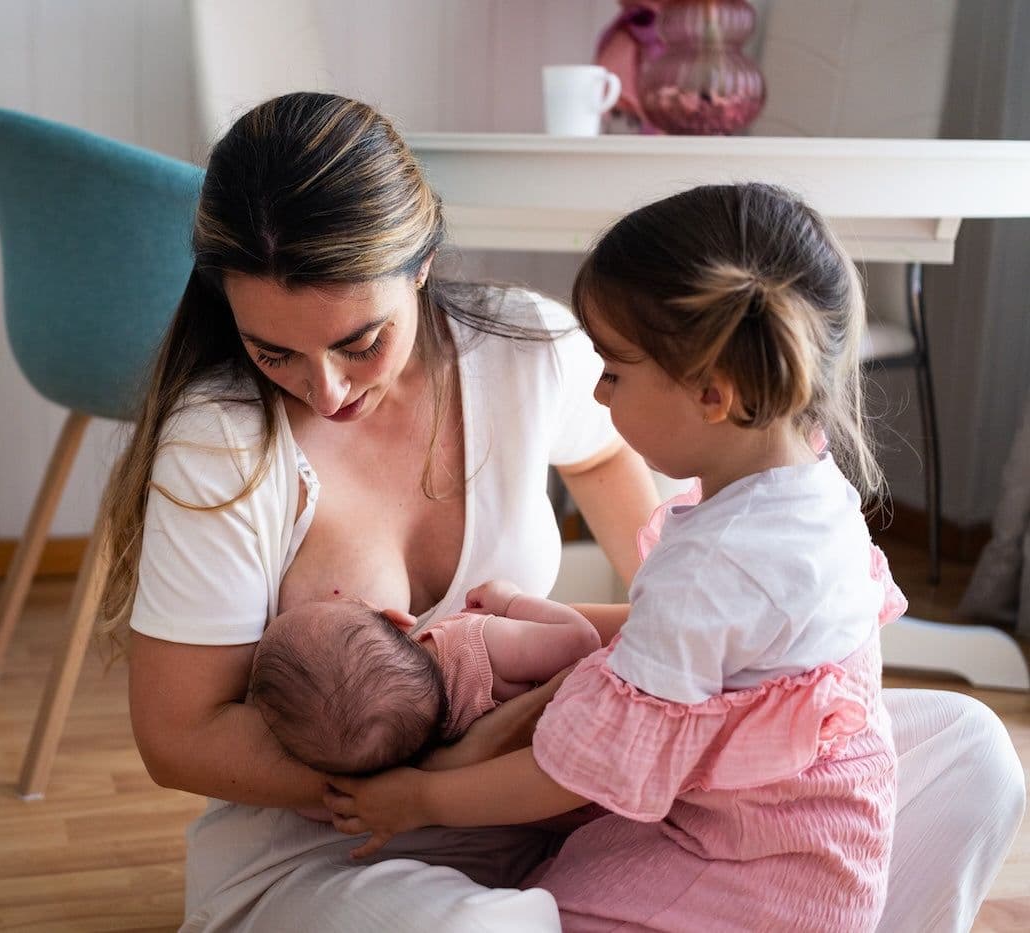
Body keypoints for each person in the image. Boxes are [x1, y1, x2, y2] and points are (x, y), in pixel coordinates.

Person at [91, 91, 1023, 932]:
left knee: (970, 752)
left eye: (359, 342)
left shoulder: (523, 348)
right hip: (346, 847)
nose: (325, 388)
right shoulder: (221, 445)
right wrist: (445, 774)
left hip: (574, 803)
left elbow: (615, 455)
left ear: (420, 266)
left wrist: (656, 637)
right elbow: (180, 737)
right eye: (274, 353)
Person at [324, 182, 921, 930]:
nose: (601, 396)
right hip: (829, 852)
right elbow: (698, 654)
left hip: (757, 876)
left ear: (713, 393)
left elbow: (572, 772)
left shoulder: (715, 566)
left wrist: (422, 797)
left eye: (613, 370)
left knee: (534, 907)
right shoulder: (809, 488)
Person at [249, 587, 600, 776]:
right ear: (397, 620)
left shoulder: (402, 758)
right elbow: (583, 643)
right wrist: (510, 600)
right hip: (596, 747)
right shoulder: (477, 644)